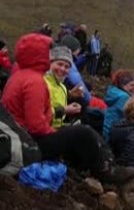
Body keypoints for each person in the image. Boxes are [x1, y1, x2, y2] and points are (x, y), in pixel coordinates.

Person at [1, 33, 113, 178]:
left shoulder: (20, 74)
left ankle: (82, 170)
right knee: (83, 133)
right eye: (48, 52)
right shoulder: (35, 82)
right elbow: (36, 126)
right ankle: (103, 172)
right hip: (28, 142)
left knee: (75, 133)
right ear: (38, 54)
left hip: (18, 135)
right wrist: (57, 132)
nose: (50, 55)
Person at [43, 46, 83, 128]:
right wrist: (65, 110)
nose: (62, 69)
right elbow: (40, 114)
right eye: (59, 64)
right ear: (50, 63)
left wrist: (70, 95)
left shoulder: (62, 86)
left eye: (66, 67)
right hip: (45, 130)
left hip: (58, 127)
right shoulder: (42, 83)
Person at [103, 69, 134, 140]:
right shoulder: (124, 97)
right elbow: (132, 117)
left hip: (107, 130)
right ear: (123, 85)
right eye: (132, 85)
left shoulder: (113, 91)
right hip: (114, 134)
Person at [59, 35, 92, 106]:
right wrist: (89, 99)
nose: (79, 51)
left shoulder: (62, 60)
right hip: (71, 102)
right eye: (78, 49)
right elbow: (76, 80)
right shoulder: (68, 65)